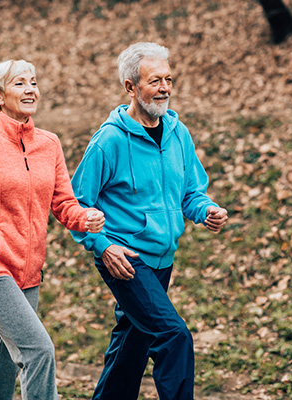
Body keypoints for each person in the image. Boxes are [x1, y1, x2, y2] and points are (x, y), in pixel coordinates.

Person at [0, 59, 105, 400]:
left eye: (33, 82)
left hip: (29, 273)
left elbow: (63, 203)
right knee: (39, 351)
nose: (30, 90)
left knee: (5, 364)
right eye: (20, 84)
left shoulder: (49, 144)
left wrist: (84, 219)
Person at [70, 42, 228, 400]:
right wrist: (103, 246)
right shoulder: (108, 140)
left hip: (163, 259)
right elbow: (76, 206)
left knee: (130, 350)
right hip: (126, 261)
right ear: (130, 87)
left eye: (168, 79)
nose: (165, 88)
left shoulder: (177, 133)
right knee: (174, 336)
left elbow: (190, 192)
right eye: (154, 80)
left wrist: (206, 210)